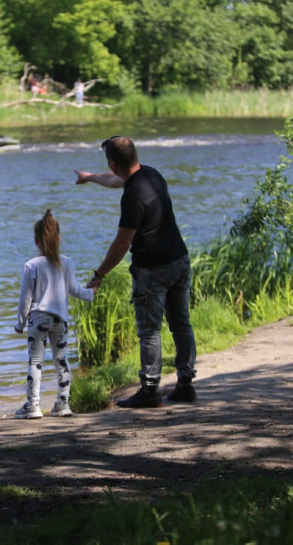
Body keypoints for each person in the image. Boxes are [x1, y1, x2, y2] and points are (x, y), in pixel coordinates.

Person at [75, 136, 196, 407]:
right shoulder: (150, 175)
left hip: (153, 269)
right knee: (181, 323)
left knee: (149, 330)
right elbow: (115, 180)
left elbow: (122, 243)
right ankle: (186, 385)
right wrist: (89, 177)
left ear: (113, 162)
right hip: (180, 260)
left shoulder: (132, 196)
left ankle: (151, 391)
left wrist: (99, 274)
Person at [14, 210, 96, 419]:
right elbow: (75, 290)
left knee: (35, 361)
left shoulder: (31, 265)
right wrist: (91, 294)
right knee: (61, 360)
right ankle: (63, 403)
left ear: (35, 240)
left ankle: (33, 406)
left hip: (38, 319)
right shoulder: (66, 263)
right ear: (58, 239)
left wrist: (20, 323)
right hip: (60, 320)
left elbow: (26, 300)